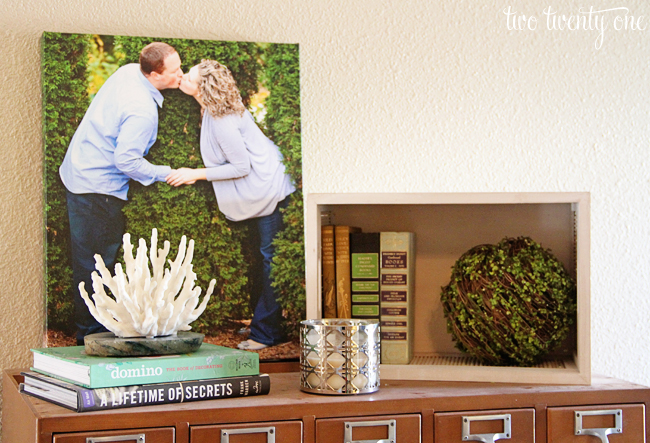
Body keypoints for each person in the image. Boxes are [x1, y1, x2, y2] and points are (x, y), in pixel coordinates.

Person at [59, 42, 183, 345]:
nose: (182, 73)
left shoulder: (129, 71)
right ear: (154, 73)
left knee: (90, 261)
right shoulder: (142, 111)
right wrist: (164, 173)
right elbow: (126, 160)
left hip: (80, 170)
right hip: (97, 190)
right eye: (175, 70)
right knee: (96, 265)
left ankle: (92, 332)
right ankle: (89, 338)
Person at [167, 60, 295, 350]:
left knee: (270, 260)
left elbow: (241, 166)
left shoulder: (221, 119)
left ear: (202, 87)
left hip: (269, 188)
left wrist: (194, 174)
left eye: (188, 75)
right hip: (262, 188)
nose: (183, 76)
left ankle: (266, 334)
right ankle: (265, 324)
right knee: (264, 258)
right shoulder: (212, 109)